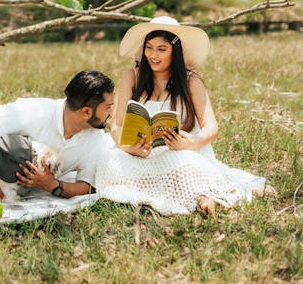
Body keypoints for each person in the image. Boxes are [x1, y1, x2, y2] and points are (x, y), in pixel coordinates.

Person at [95, 16, 267, 214]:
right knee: (109, 163)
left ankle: (203, 197)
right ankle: (175, 191)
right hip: (139, 152)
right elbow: (116, 125)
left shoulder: (190, 80)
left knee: (183, 163)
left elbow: (211, 128)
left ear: (174, 52)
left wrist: (189, 143)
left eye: (162, 49)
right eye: (149, 47)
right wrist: (128, 147)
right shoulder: (132, 76)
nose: (153, 55)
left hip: (179, 150)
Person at [0, 69, 115, 199]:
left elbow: (88, 187)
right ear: (86, 112)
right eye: (108, 107)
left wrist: (53, 186)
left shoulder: (96, 138)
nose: (112, 112)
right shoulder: (34, 112)